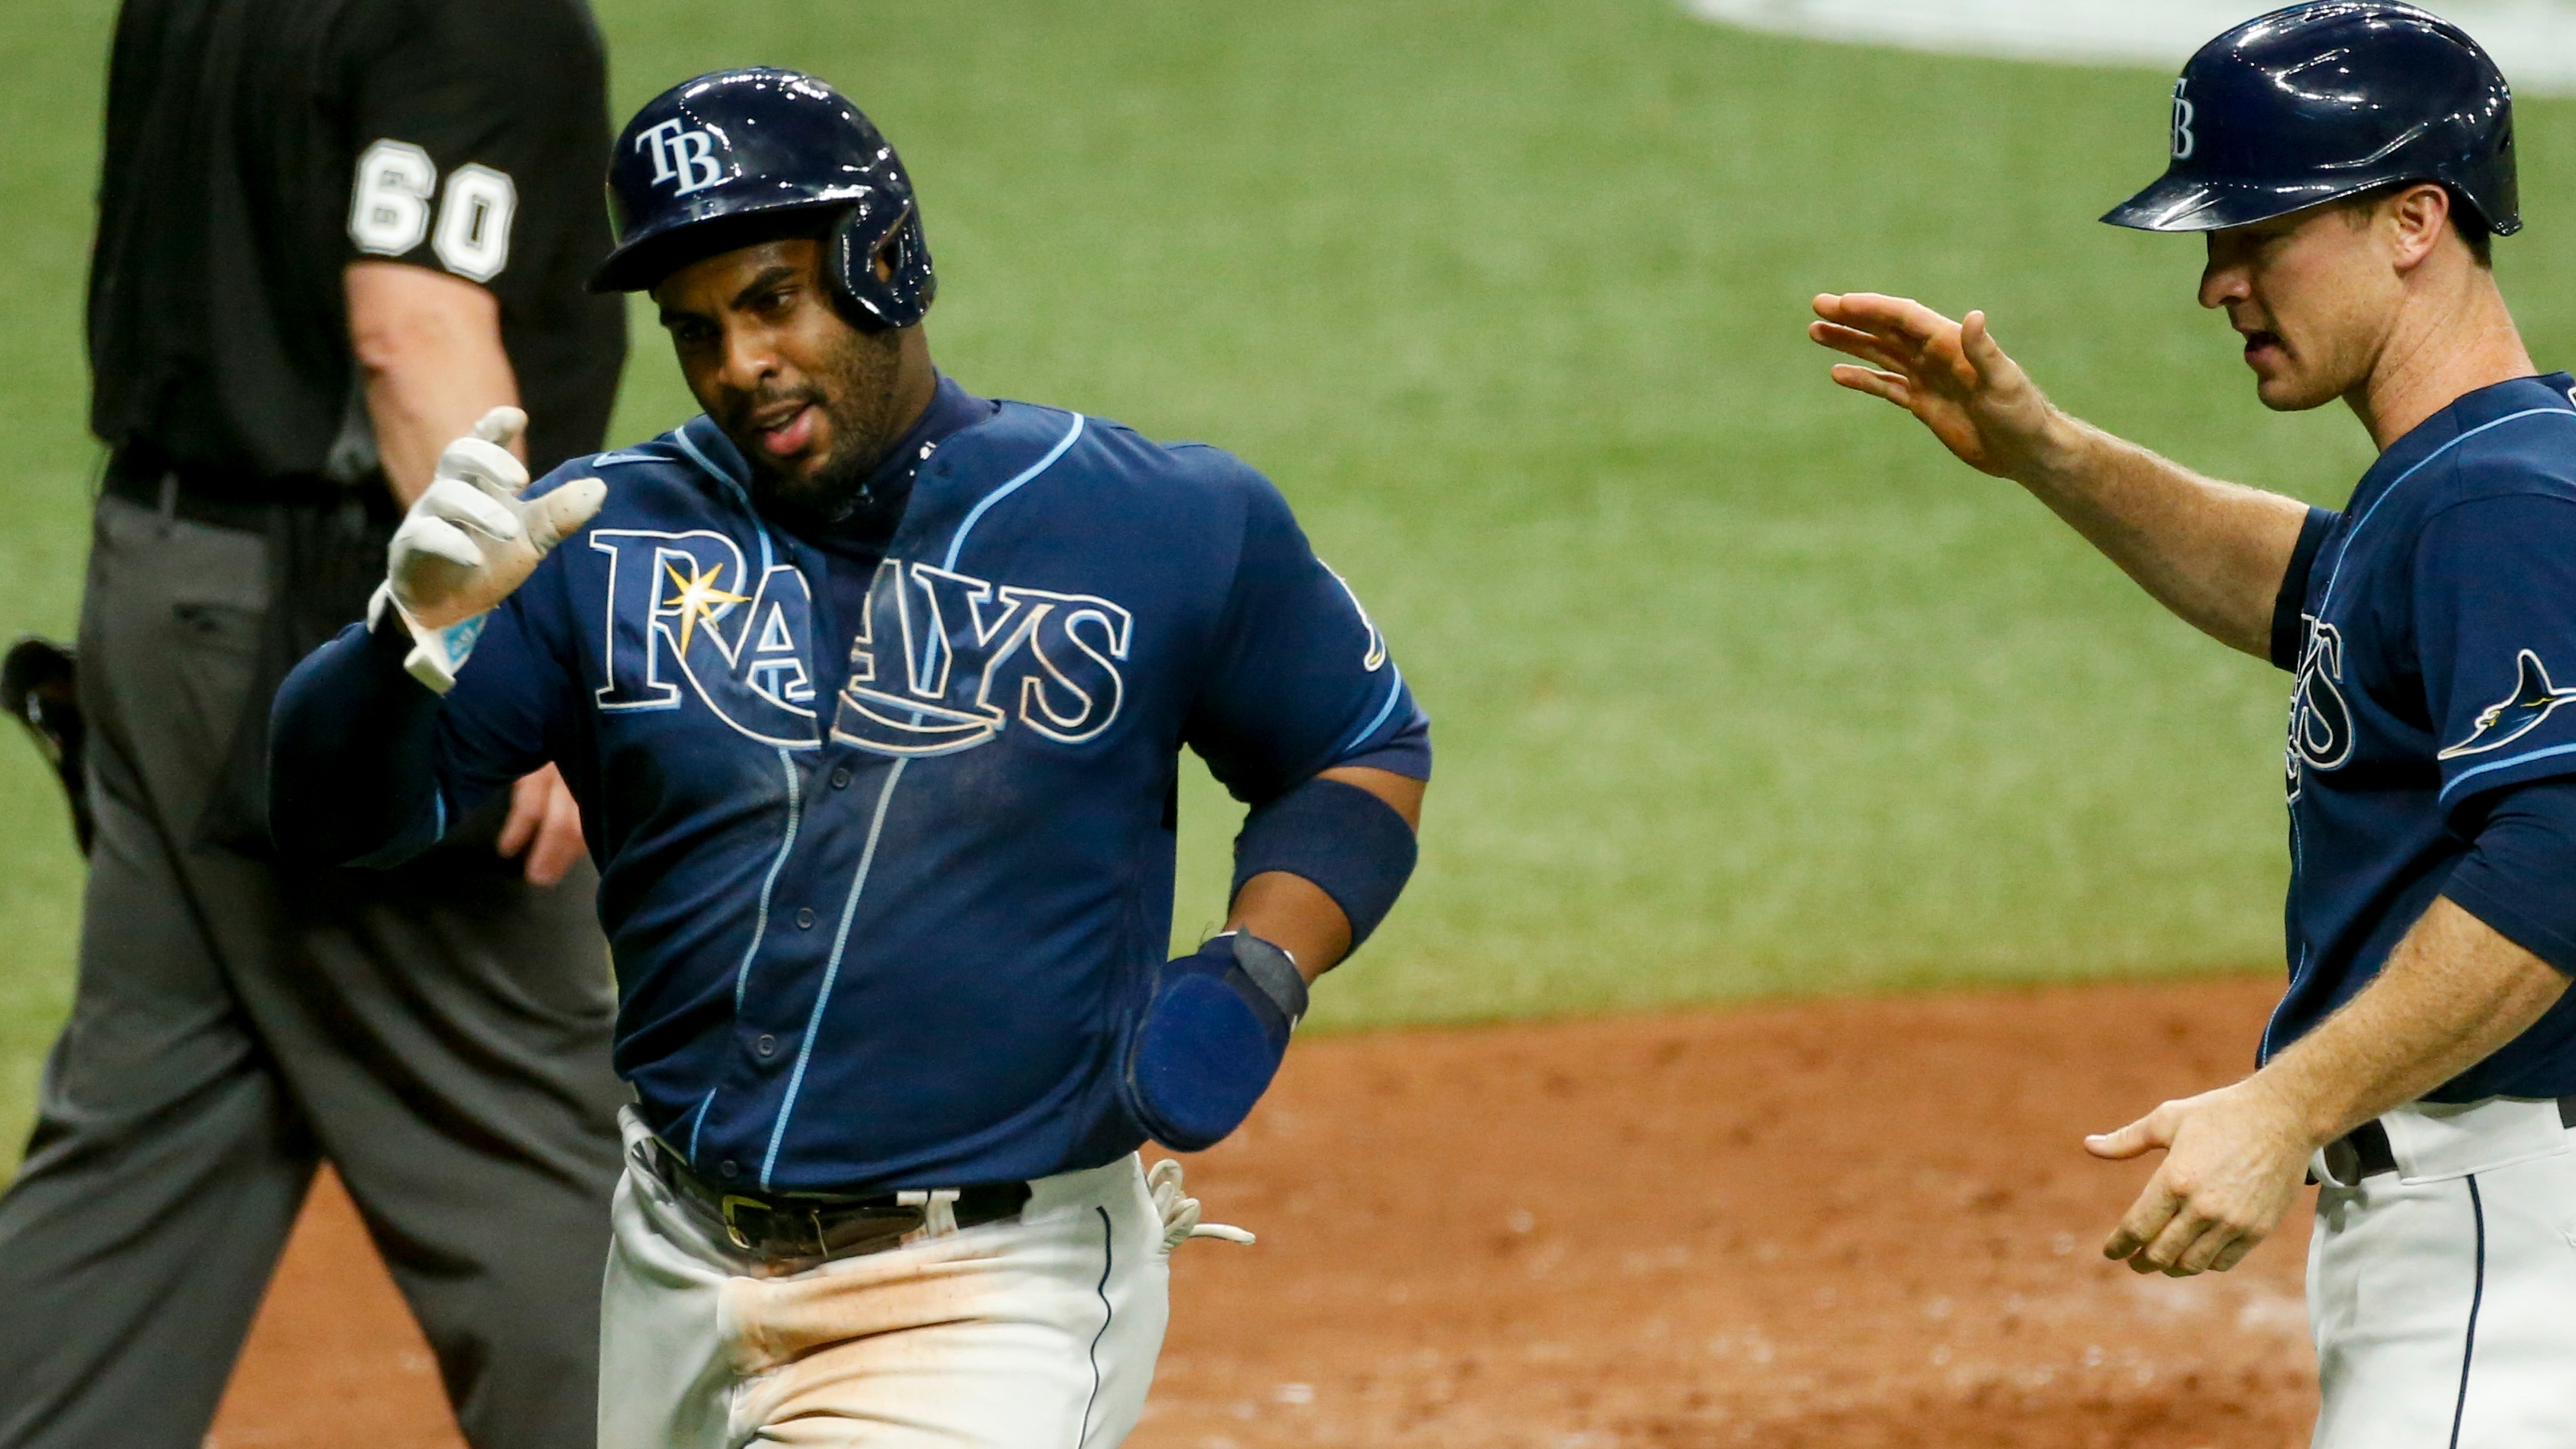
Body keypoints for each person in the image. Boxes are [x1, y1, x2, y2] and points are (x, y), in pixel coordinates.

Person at [268, 67, 1433, 1448]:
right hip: (669, 1266)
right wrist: (405, 632)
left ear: (887, 264)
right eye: (695, 329)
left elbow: (1359, 744)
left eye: (773, 299)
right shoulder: (599, 540)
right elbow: (336, 815)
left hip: (986, 1291)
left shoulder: (1161, 525)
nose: (739, 363)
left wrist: (1258, 967)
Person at [1808, 5, 2576, 1445]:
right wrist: (2047, 449)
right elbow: (2311, 589)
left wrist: (2286, 1105)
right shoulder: (2483, 471)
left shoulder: (2498, 498)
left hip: (2512, 1232)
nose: (2218, 283)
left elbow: (2565, 851)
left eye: (2259, 235)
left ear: (2414, 218)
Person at [0, 1, 631, 1445]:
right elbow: (412, 327)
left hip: (158, 583)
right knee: (533, 1138)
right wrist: (512, 653)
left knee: (151, 1160)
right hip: (352, 636)